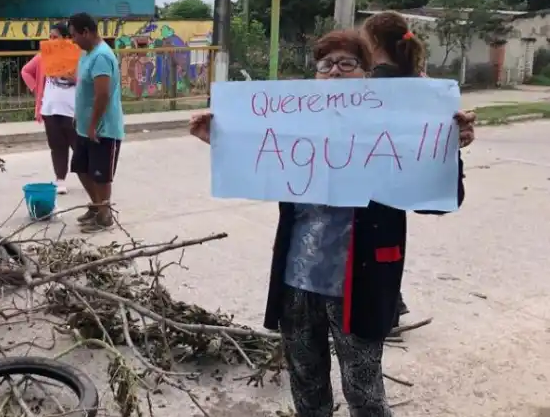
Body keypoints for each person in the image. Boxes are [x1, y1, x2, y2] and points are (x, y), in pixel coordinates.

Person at [189, 30, 475, 417]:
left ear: (367, 73)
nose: (335, 73)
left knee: (364, 392)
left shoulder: (393, 127)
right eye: (326, 65)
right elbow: (258, 158)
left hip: (359, 281)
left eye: (347, 64)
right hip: (297, 280)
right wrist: (222, 141)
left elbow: (440, 204)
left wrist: (447, 151)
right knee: (307, 388)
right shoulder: (295, 123)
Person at [361, 10, 430, 323]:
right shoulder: (418, 82)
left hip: (370, 178)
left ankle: (383, 312)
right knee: (389, 245)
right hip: (399, 179)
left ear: (373, 41)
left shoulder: (370, 85)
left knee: (369, 250)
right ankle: (393, 304)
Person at [67, 12, 125, 233]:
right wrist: (78, 117)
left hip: (103, 129)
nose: (73, 40)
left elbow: (103, 94)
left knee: (101, 175)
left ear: (86, 32)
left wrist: (92, 124)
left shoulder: (101, 56)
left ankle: (104, 217)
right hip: (84, 126)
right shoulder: (87, 54)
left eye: (74, 35)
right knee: (81, 168)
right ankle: (96, 206)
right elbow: (85, 87)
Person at [20, 23, 77, 193]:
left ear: (66, 38)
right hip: (50, 108)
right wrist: (36, 89)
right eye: (50, 37)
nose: (51, 40)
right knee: (57, 145)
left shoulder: (77, 55)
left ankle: (89, 176)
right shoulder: (43, 56)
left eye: (55, 37)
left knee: (78, 144)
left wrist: (66, 73)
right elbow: (25, 71)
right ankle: (60, 179)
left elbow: (84, 80)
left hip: (72, 108)